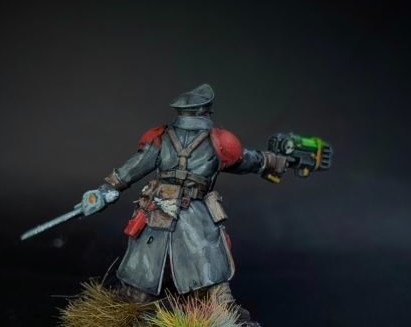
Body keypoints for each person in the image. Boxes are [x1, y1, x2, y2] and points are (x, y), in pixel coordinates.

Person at [99, 83, 288, 312]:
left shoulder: (161, 138)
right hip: (191, 211)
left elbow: (134, 167)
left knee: (158, 255)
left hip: (161, 209)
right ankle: (214, 305)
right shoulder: (217, 142)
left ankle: (143, 300)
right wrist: (269, 160)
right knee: (206, 255)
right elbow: (245, 161)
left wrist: (107, 189)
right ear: (206, 112)